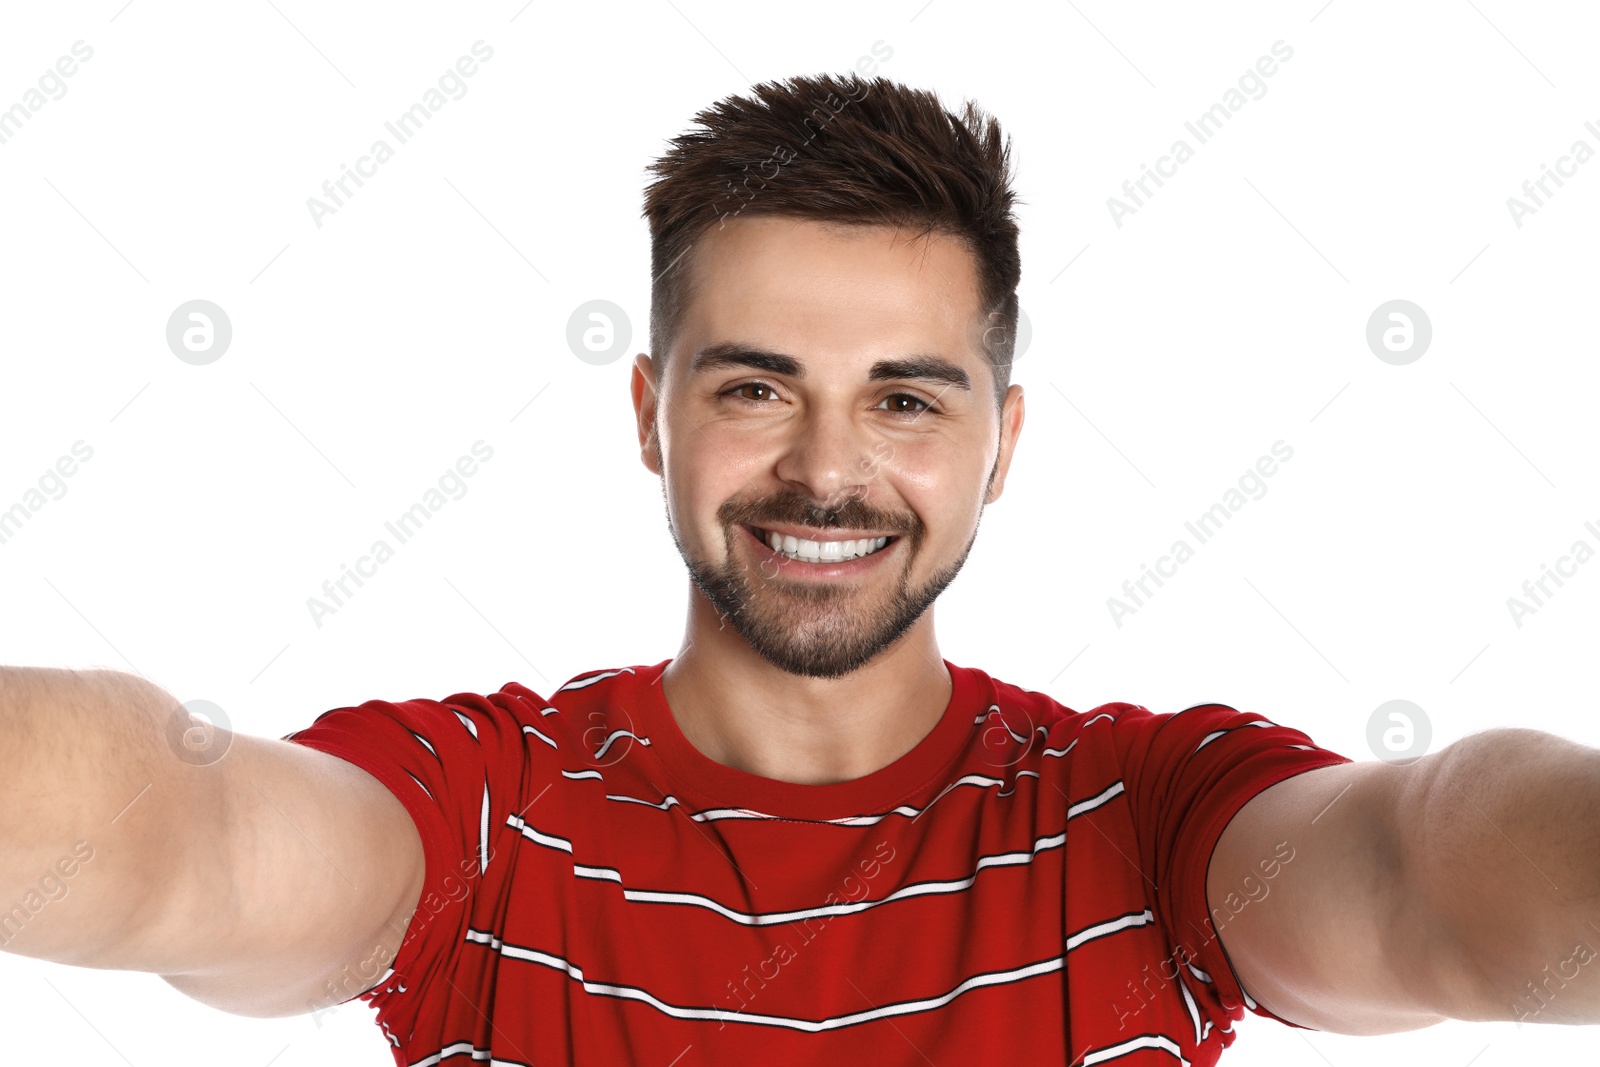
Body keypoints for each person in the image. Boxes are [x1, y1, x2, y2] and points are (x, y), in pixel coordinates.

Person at [3, 71, 1598, 1067]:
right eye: (755, 387)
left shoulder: (1150, 826)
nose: (826, 471)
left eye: (905, 398)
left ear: (1003, 439)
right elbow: (180, 830)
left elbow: (1434, 870)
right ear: (652, 414)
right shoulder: (489, 818)